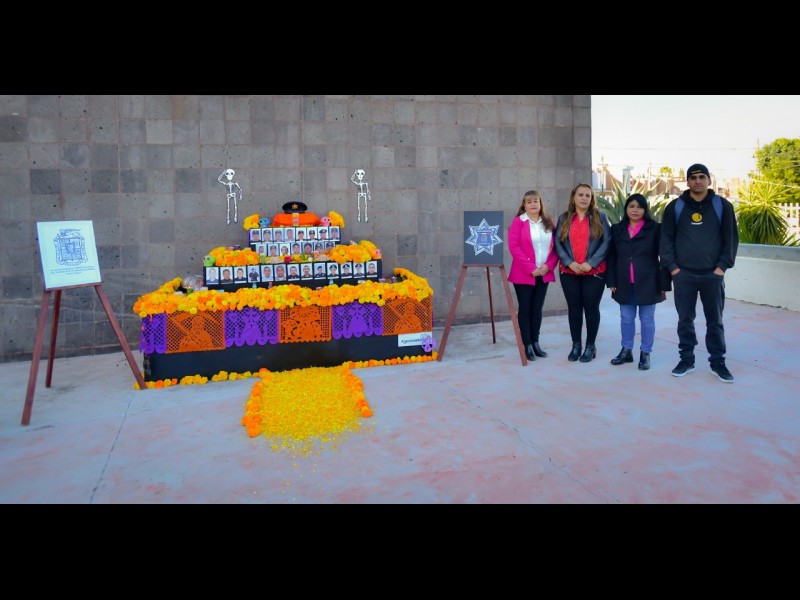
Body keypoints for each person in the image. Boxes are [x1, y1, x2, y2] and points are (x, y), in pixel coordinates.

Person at [660, 163, 739, 383]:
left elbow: (731, 239)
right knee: (685, 320)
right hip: (683, 275)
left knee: (715, 321)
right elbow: (666, 240)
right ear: (687, 181)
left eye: (702, 177)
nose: (697, 181)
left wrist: (721, 268)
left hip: (712, 276)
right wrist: (674, 268)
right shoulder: (675, 207)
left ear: (709, 180)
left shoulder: (722, 206)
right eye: (693, 177)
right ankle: (687, 360)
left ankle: (718, 363)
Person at [606, 194, 671, 371]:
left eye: (639, 207)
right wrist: (611, 280)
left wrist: (664, 283)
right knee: (626, 318)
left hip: (649, 281)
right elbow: (611, 256)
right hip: (623, 281)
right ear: (626, 208)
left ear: (645, 209)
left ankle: (645, 353)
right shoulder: (617, 229)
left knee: (647, 319)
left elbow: (664, 257)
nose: (635, 210)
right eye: (631, 206)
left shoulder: (655, 229)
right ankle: (626, 350)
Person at [554, 182, 612, 363]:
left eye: (588, 195)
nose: (584, 198)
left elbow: (607, 242)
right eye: (581, 195)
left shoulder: (601, 217)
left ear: (591, 199)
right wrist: (569, 262)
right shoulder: (564, 218)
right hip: (569, 272)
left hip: (594, 272)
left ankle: (590, 346)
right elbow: (558, 243)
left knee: (591, 309)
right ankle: (576, 345)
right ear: (574, 197)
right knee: (574, 309)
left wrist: (591, 263)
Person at [507, 189, 559, 361]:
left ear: (540, 203)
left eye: (536, 201)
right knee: (526, 308)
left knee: (537, 309)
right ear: (524, 205)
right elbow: (514, 247)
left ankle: (536, 342)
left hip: (543, 273)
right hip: (523, 274)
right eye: (529, 202)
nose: (533, 204)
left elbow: (556, 247)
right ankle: (527, 344)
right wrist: (531, 268)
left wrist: (548, 266)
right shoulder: (518, 222)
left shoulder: (549, 222)